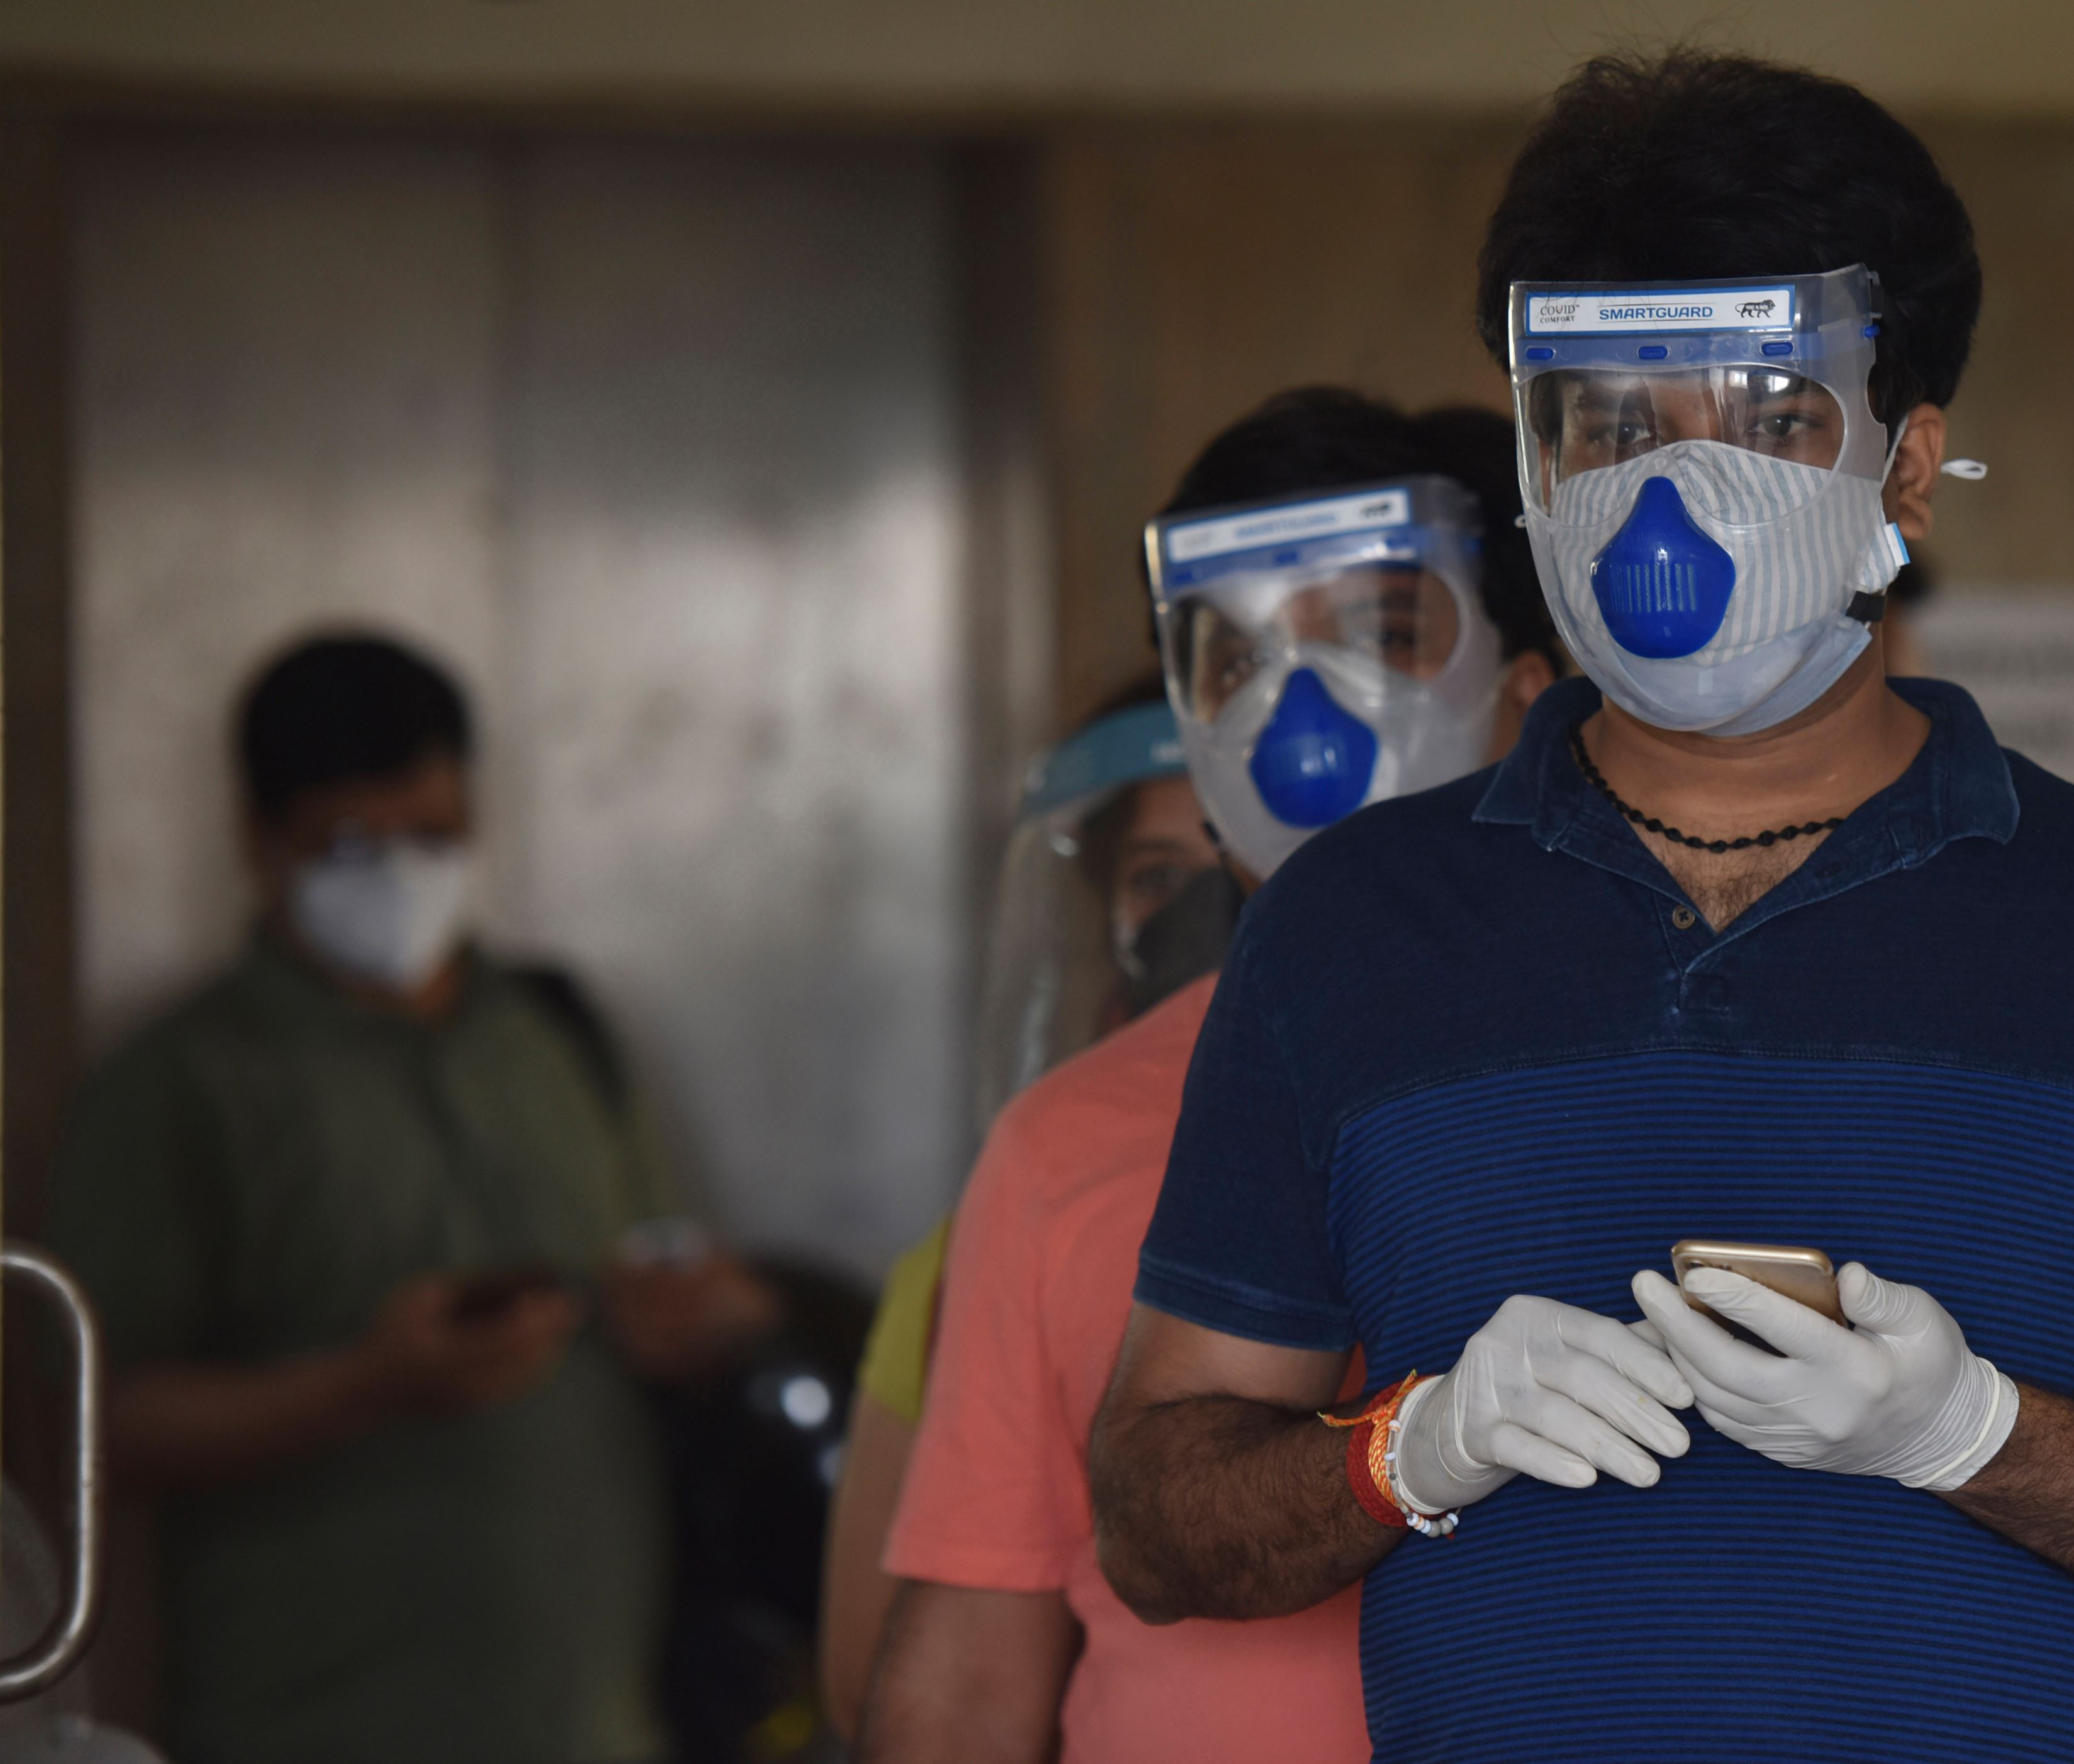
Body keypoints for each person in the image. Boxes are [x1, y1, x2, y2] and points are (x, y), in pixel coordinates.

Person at [1087, 52, 2074, 1764]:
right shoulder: (1342, 927)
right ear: (1531, 460)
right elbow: (1152, 1515)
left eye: (1768, 417)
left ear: (1903, 467)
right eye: (1607, 423)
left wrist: (1970, 1430)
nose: (1667, 499)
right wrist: (1404, 1447)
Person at [847, 389, 1561, 1763]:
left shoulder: (1671, 1062)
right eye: (1229, 656)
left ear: (1524, 695)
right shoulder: (1065, 1142)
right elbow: (965, 1684)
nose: (1301, 708)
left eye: (1377, 635)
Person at [47, 634, 781, 1764]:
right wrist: (362, 1387)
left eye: (430, 838)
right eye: (350, 844)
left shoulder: (557, 1036)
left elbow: (662, 1260)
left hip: (603, 1725)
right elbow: (91, 1427)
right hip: (308, 1728)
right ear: (258, 839)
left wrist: (710, 1318)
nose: (398, 877)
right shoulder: (176, 1087)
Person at [816, 678, 1224, 1724]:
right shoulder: (1007, 1220)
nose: (1209, 920)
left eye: (1240, 866)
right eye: (1156, 878)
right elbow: (887, 1679)